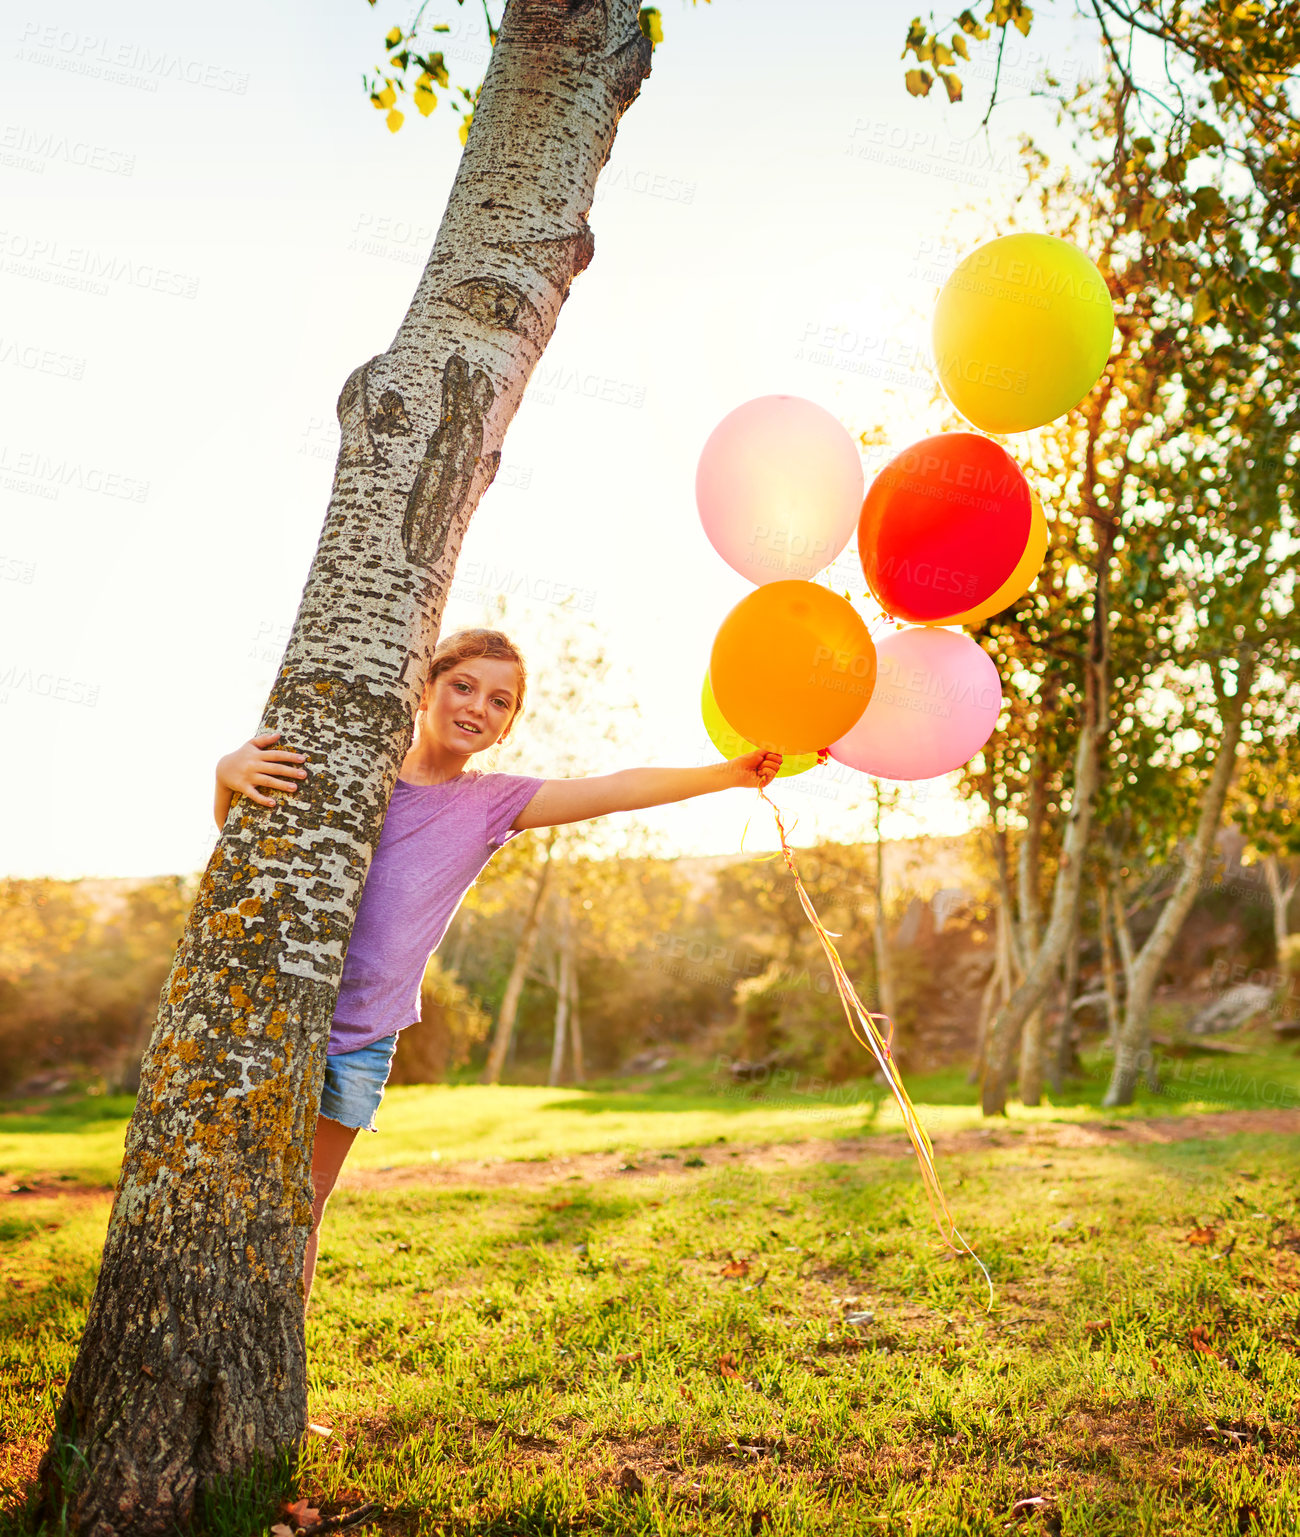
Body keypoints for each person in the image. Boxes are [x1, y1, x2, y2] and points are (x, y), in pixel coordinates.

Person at [214, 626, 781, 1302]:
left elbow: (618, 788)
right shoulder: (354, 767)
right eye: (463, 685)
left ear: (508, 726)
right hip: (279, 1014)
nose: (478, 706)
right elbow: (244, 844)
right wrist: (226, 773)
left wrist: (729, 774)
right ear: (423, 688)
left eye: (500, 701)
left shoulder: (493, 802)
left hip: (363, 1034)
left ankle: (278, 1382)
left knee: (302, 1204)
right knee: (234, 1188)